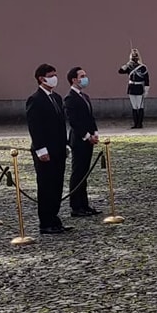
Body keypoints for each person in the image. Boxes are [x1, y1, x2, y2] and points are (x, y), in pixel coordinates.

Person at [26, 64, 71, 234]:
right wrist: (40, 149)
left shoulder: (57, 98)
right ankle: (45, 222)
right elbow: (35, 127)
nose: (54, 78)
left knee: (57, 185)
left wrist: (66, 144)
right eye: (50, 75)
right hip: (45, 151)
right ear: (41, 78)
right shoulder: (35, 99)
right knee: (46, 186)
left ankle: (55, 218)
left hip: (58, 149)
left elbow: (61, 125)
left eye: (55, 74)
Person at [63, 66, 101, 218]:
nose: (85, 78)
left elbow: (90, 117)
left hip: (89, 139)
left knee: (85, 172)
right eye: (82, 76)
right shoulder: (70, 98)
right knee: (78, 172)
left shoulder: (85, 97)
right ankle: (76, 205)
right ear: (74, 79)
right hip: (79, 140)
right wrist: (86, 135)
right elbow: (74, 121)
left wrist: (95, 133)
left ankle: (84, 204)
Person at [119, 49, 150, 129]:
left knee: (139, 106)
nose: (134, 58)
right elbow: (120, 71)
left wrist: (146, 90)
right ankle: (135, 123)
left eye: (135, 56)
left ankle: (140, 123)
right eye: (133, 56)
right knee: (134, 107)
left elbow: (146, 79)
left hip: (139, 87)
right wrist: (126, 65)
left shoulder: (143, 67)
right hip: (131, 88)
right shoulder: (129, 66)